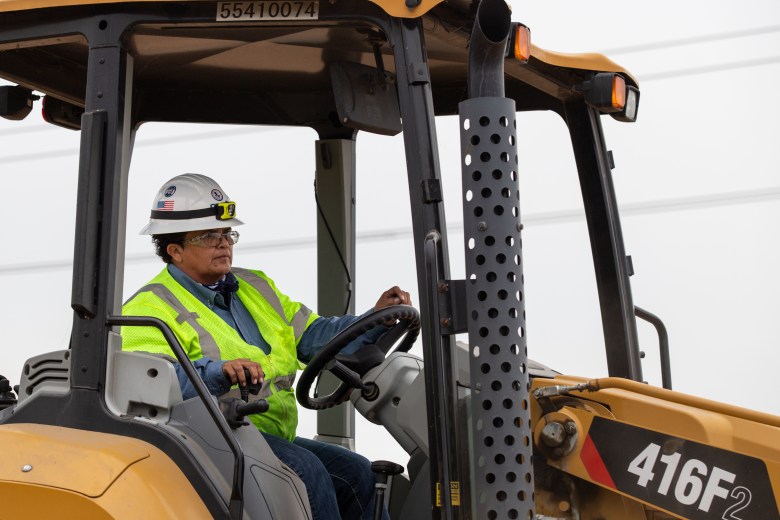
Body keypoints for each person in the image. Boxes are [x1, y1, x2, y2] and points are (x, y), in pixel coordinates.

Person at [121, 173, 410, 520]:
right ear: (175, 250)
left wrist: (376, 317)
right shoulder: (148, 308)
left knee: (356, 472)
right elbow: (152, 380)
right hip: (212, 442)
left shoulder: (254, 286)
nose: (224, 243)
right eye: (209, 235)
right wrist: (217, 373)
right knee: (306, 473)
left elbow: (315, 336)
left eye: (227, 233)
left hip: (268, 438)